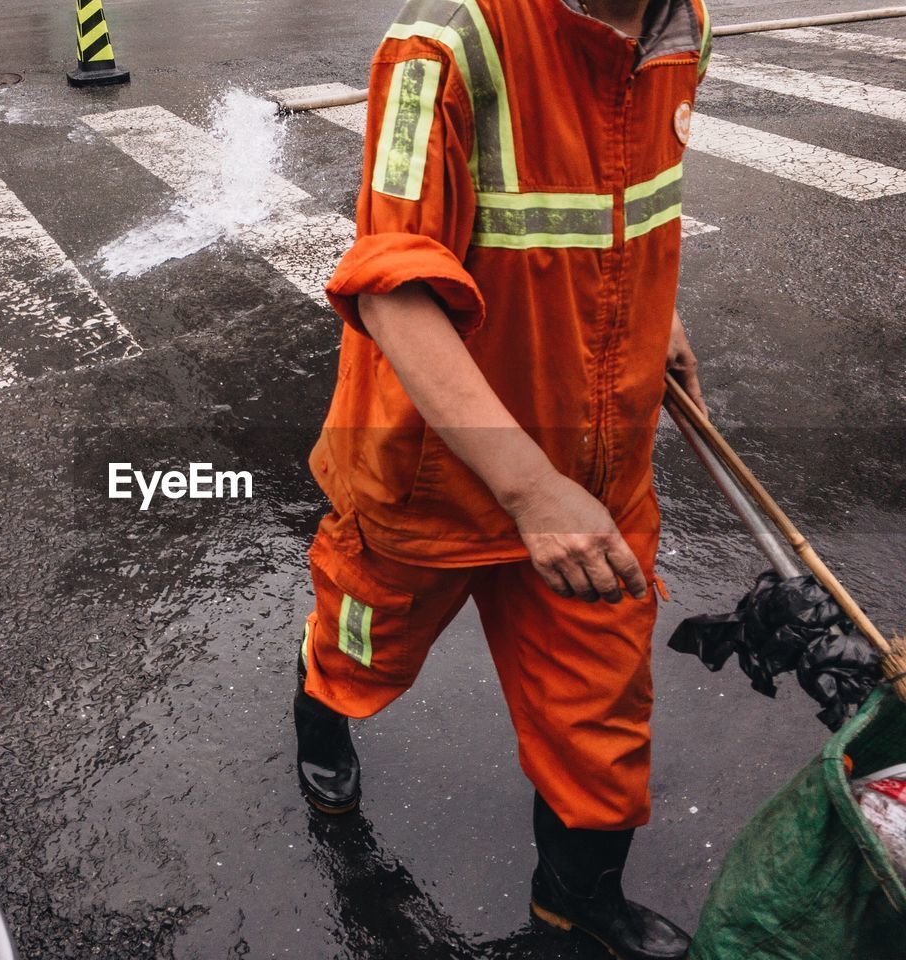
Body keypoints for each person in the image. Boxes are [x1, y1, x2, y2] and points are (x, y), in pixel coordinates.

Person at [293, 1, 712, 957]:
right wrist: (528, 491)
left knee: (601, 716)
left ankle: (578, 907)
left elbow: (627, 205)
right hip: (425, 477)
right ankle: (323, 726)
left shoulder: (678, 29)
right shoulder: (442, 42)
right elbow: (392, 290)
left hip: (596, 469)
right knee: (362, 651)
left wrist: (661, 311)